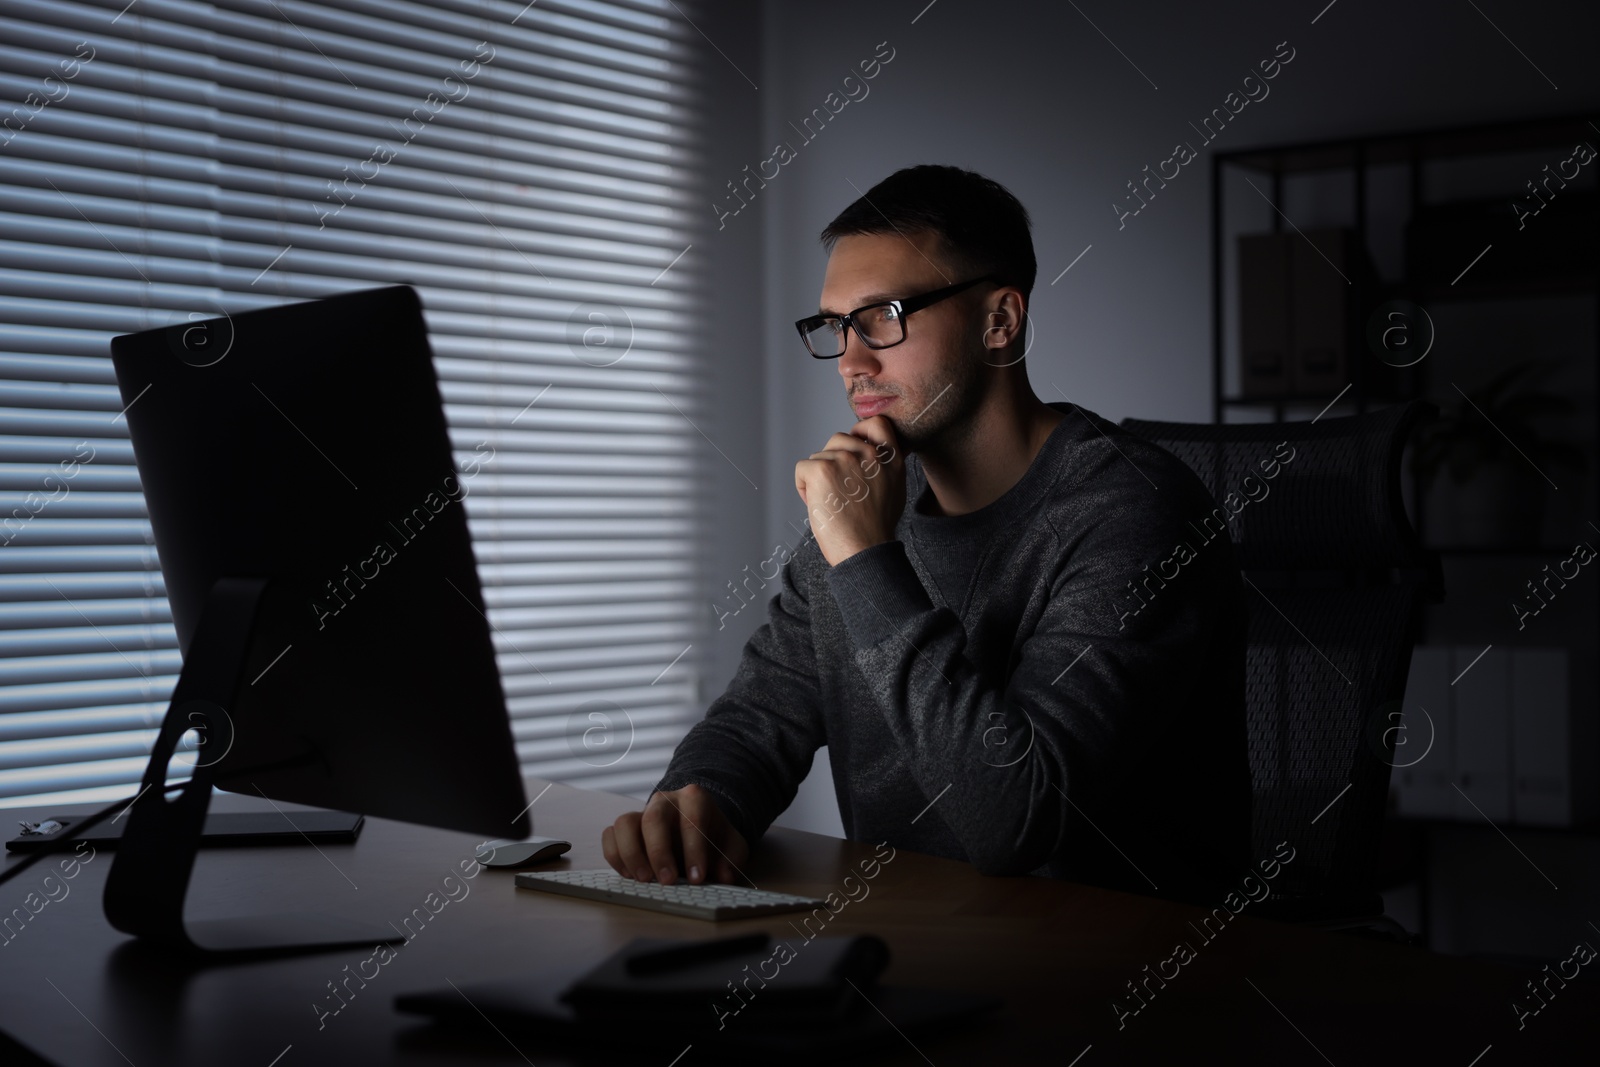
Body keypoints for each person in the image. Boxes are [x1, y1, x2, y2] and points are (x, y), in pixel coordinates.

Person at [601, 164, 1250, 903]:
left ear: (999, 321)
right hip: (903, 961)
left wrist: (867, 560)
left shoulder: (1135, 513)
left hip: (1116, 983)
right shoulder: (872, 503)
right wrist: (697, 806)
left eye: (883, 316)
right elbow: (758, 716)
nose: (851, 360)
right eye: (836, 325)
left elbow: (1016, 820)